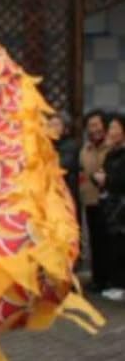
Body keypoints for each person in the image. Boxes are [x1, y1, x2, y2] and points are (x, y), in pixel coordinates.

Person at [90, 113, 125, 301]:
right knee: (113, 245)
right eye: (110, 127)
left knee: (121, 245)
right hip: (111, 205)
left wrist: (107, 179)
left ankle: (121, 284)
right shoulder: (111, 153)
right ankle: (115, 282)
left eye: (114, 128)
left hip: (121, 205)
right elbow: (103, 174)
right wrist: (98, 178)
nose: (110, 132)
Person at [78, 110, 110, 290]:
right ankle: (97, 278)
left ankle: (111, 280)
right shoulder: (85, 149)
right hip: (90, 201)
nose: (94, 129)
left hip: (110, 202)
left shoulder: (111, 146)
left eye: (97, 124)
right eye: (90, 126)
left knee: (110, 242)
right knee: (95, 242)